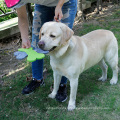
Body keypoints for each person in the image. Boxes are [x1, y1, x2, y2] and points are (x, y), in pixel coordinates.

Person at [5, 0, 77, 102]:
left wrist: (59, 5)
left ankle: (62, 84)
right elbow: (22, 17)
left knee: (62, 43)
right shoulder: (15, 0)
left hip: (66, 2)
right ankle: (37, 79)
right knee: (36, 43)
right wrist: (24, 38)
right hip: (43, 5)